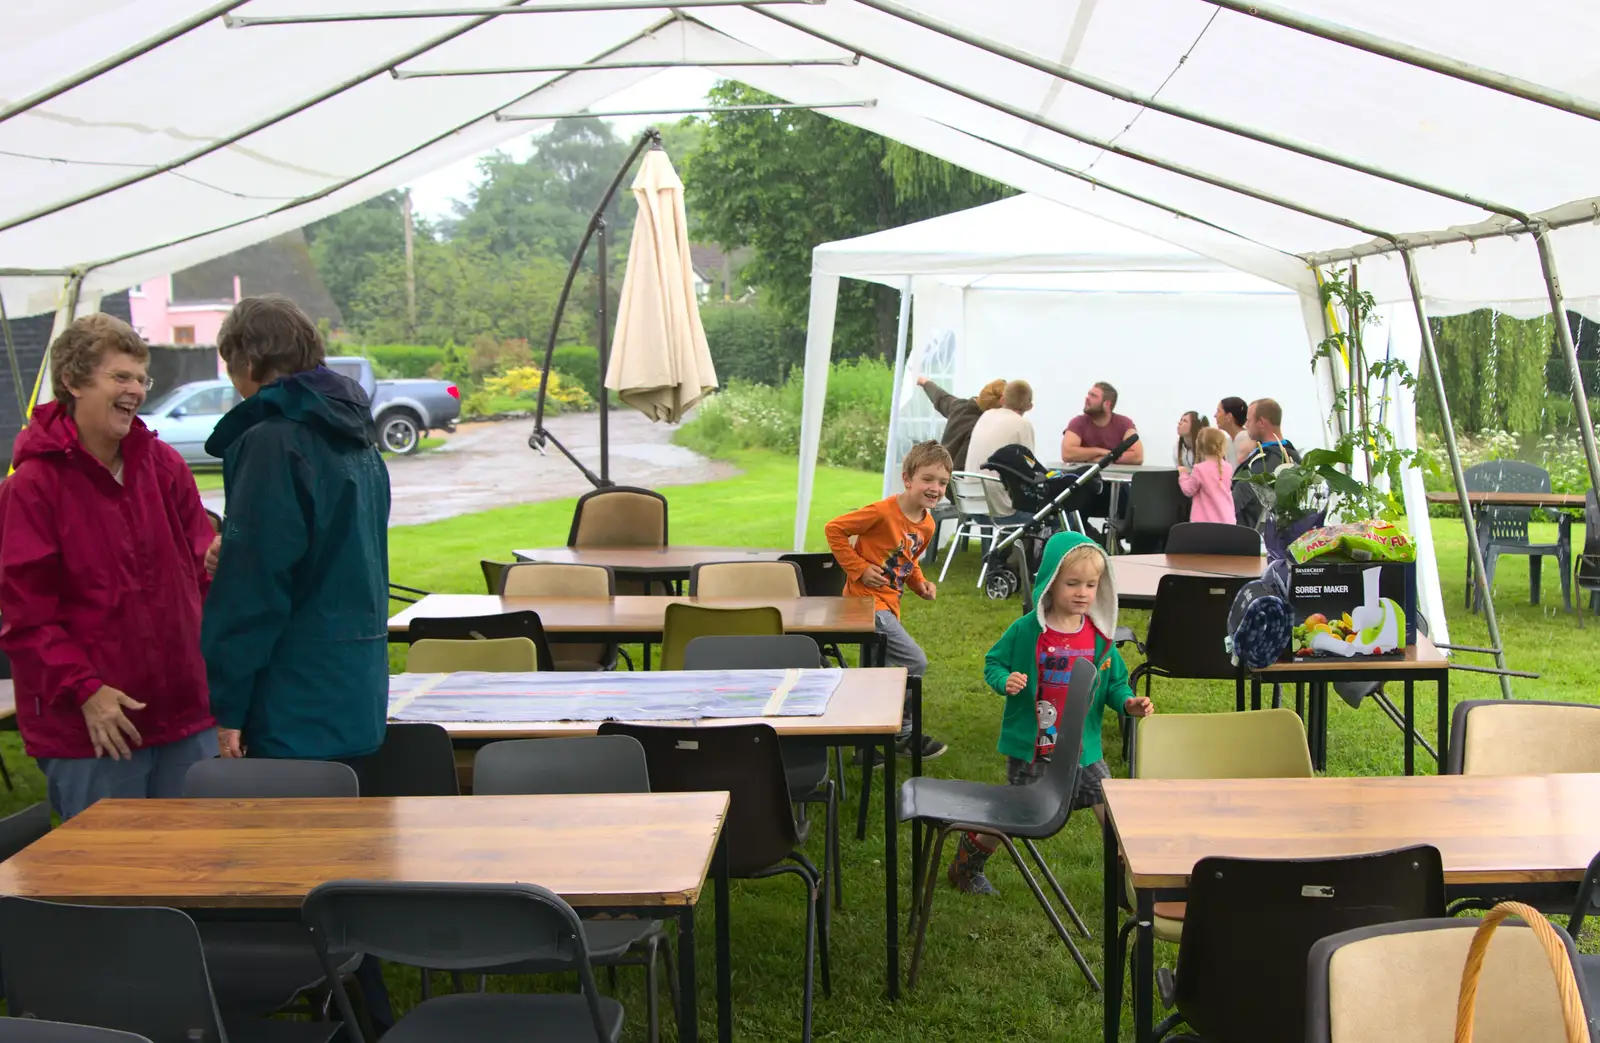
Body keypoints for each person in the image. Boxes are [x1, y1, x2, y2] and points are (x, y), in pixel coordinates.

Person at [0, 315, 218, 819]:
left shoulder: (164, 467)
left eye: (142, 379)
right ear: (74, 382)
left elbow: (203, 580)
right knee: (117, 890)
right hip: (92, 731)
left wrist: (218, 561)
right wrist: (87, 693)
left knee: (200, 877)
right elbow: (26, 619)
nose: (136, 390)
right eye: (120, 377)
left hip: (186, 718)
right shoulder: (31, 488)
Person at [201, 296, 391, 765]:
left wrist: (231, 702)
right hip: (357, 687)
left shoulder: (273, 440)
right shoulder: (355, 437)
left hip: (293, 701)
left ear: (246, 362)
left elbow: (254, 588)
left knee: (291, 837)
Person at [947, 531, 1152, 895]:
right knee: (1014, 815)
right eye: (1072, 583)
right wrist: (1004, 680)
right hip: (1034, 746)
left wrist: (1128, 703)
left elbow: (1116, 683)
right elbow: (994, 662)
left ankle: (1126, 881)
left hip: (1084, 748)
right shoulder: (1027, 632)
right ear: (1050, 582)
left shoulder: (1099, 639)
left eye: (1091, 585)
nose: (1082, 593)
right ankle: (966, 865)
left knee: (1110, 807)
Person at [825, 440, 951, 760]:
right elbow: (834, 529)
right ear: (908, 479)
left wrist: (920, 584)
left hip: (889, 603)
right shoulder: (882, 512)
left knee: (875, 672)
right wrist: (859, 569)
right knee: (914, 661)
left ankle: (867, 749)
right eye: (928, 479)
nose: (935, 488)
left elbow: (907, 559)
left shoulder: (927, 524)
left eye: (943, 482)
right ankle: (905, 735)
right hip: (866, 603)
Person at [964, 380, 1036, 519]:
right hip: (1001, 510)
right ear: (1030, 406)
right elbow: (1030, 469)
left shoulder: (985, 416)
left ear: (1002, 400)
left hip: (972, 506)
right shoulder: (1023, 425)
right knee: (1061, 515)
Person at [1231, 397, 1300, 529]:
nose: (1246, 425)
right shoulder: (1291, 455)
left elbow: (1238, 501)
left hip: (1250, 534)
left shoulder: (1268, 460)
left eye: (1249, 420)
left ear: (1261, 423)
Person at [918, 376, 1006, 471]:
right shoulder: (980, 428)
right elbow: (959, 468)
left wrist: (925, 382)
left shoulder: (959, 406)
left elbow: (940, 397)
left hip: (937, 469)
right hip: (952, 480)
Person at [1059, 381, 1144, 465]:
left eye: (1093, 396)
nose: (1087, 398)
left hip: (1115, 477)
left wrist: (1101, 460)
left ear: (1107, 404)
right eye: (1089, 394)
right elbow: (1067, 454)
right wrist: (1100, 452)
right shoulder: (1078, 422)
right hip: (1087, 477)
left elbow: (1137, 456)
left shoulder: (1124, 423)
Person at [1178, 427, 1235, 525]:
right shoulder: (1228, 467)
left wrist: (1183, 474)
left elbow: (1188, 490)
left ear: (1199, 447)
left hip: (1203, 522)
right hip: (1227, 520)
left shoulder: (1199, 469)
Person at [1213, 396, 1253, 467]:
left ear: (1229, 416)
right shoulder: (1228, 441)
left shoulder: (1246, 438)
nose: (1215, 415)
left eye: (1219, 411)